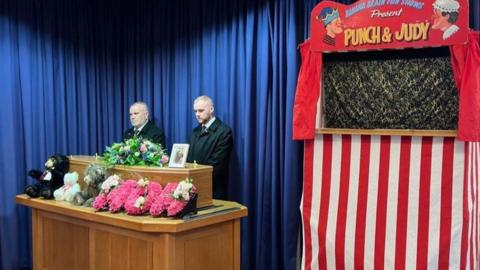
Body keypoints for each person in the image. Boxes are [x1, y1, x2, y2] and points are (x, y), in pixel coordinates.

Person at [187, 95, 233, 200]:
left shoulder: (224, 131)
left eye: (201, 110)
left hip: (214, 190)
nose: (197, 114)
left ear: (211, 109)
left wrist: (195, 178)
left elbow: (217, 164)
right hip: (192, 188)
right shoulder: (194, 132)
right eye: (195, 111)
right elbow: (188, 160)